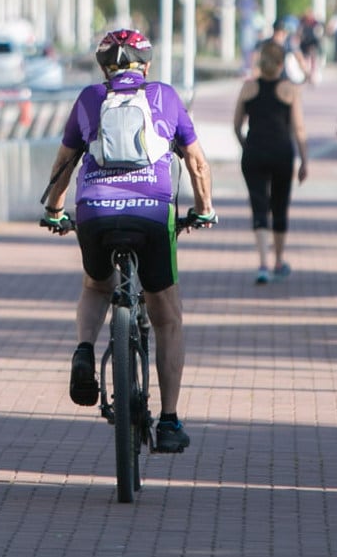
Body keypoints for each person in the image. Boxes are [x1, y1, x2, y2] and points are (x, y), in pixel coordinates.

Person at [41, 28, 217, 453]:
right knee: (167, 316)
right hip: (153, 215)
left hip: (96, 215)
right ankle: (170, 421)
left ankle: (85, 349)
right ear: (147, 65)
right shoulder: (165, 98)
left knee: (96, 284)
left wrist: (54, 212)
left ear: (103, 67)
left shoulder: (88, 100)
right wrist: (204, 208)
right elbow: (195, 161)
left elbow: (65, 163)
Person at [233, 40, 309, 284]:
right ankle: (278, 260)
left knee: (258, 205)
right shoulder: (290, 90)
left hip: (254, 151)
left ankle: (262, 264)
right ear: (280, 64)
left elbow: (236, 125)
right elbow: (298, 128)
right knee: (279, 204)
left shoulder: (248, 88)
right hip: (281, 153)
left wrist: (245, 143)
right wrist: (304, 160)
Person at [297, 11, 324, 85]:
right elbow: (299, 32)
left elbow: (319, 33)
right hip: (304, 43)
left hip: (313, 43)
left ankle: (312, 76)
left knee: (312, 60)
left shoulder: (315, 23)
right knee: (305, 59)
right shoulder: (302, 22)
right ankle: (306, 75)